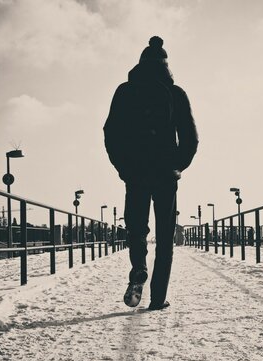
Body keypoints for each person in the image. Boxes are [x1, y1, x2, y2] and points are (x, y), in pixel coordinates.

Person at [104, 36, 199, 311]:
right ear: (166, 66)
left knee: (136, 228)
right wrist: (176, 166)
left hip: (136, 173)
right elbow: (191, 140)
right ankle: (157, 298)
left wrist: (124, 167)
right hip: (165, 175)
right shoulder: (176, 94)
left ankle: (138, 268)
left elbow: (111, 134)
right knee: (164, 236)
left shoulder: (124, 91)